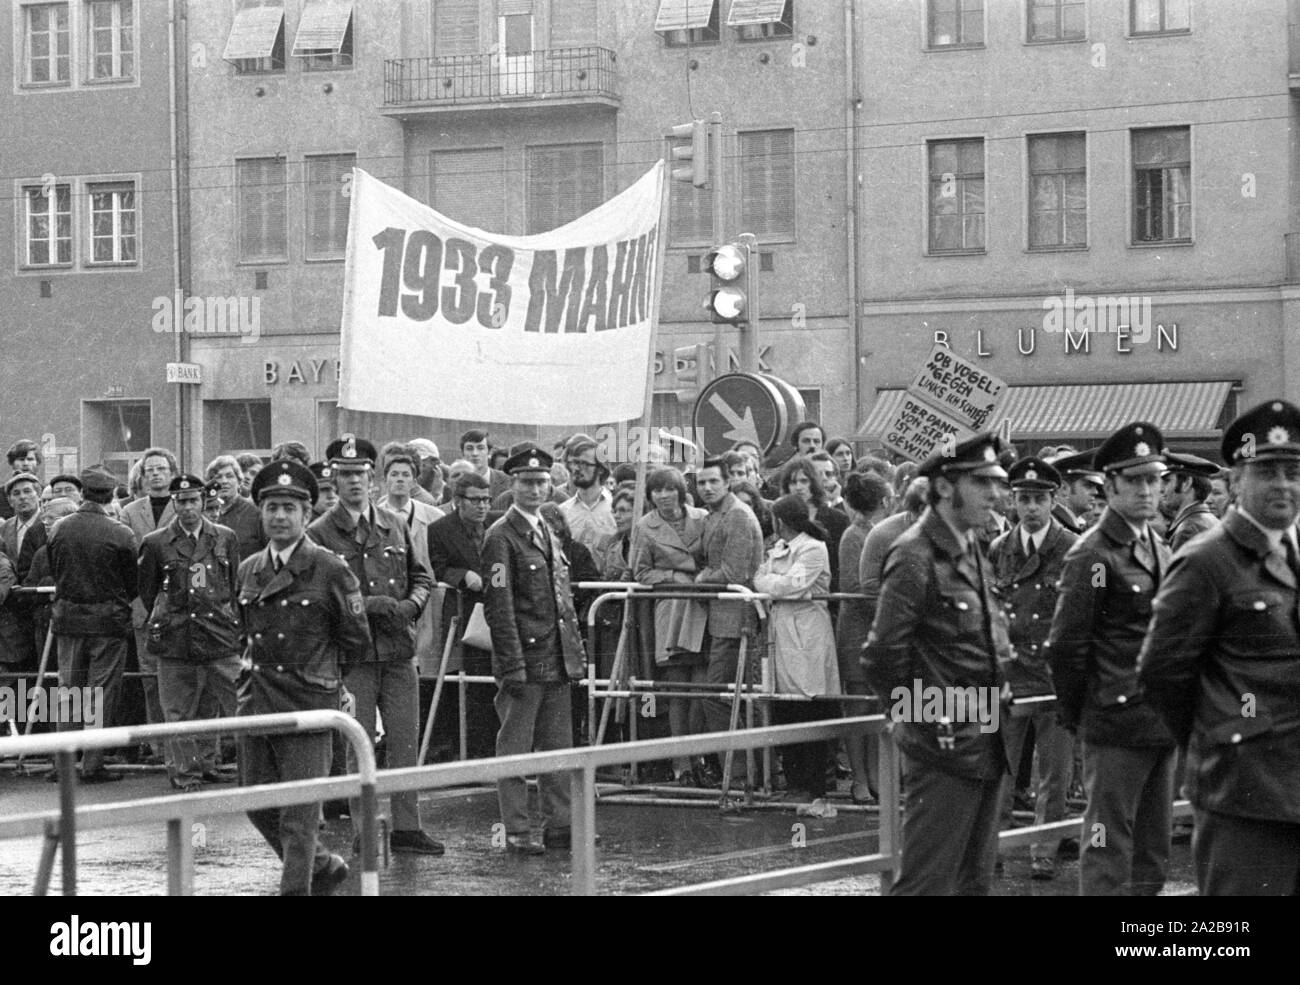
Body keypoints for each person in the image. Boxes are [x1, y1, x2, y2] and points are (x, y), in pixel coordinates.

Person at [1139, 399, 1300, 895]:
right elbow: (1162, 673)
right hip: (1243, 795)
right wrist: (1223, 735)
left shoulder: (1296, 553)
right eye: (1266, 471)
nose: (1283, 485)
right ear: (1235, 481)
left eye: (1293, 471)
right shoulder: (1207, 561)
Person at [862, 433, 1011, 895]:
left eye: (998, 483)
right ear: (946, 487)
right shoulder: (915, 554)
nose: (996, 495)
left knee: (974, 882)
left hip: (984, 737)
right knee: (927, 885)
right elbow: (882, 655)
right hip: (943, 746)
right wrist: (922, 723)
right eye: (983, 483)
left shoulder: (968, 547)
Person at [1047, 422, 1175, 896]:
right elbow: (1067, 645)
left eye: (1154, 480)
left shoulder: (1155, 545)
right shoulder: (1094, 555)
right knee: (1107, 852)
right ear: (1112, 484)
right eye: (1134, 480)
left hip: (1157, 721)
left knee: (1151, 854)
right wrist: (1082, 714)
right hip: (1115, 720)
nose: (1147, 490)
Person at [236, 459, 371, 895]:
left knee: (298, 817)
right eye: (272, 507)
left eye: (289, 509)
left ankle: (295, 889)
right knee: (255, 802)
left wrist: (325, 679)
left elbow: (355, 639)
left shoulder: (330, 569)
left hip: (309, 703)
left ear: (306, 514)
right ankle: (322, 865)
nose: (279, 516)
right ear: (261, 511)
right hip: (258, 702)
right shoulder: (250, 568)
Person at [307, 436, 442, 857]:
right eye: (345, 474)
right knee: (359, 745)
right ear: (333, 478)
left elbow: (423, 576)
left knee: (404, 742)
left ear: (372, 476)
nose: (354, 482)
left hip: (399, 650)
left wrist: (410, 606)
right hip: (355, 655)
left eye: (361, 473)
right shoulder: (320, 532)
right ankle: (366, 830)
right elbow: (320, 596)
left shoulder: (394, 522)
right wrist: (372, 605)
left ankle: (407, 826)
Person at [482, 444, 588, 855]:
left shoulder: (547, 528)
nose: (535, 489)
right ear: (512, 484)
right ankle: (517, 829)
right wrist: (511, 665)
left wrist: (573, 655)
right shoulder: (500, 537)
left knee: (558, 748)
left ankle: (560, 825)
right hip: (524, 659)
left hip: (556, 657)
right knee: (516, 749)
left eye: (542, 481)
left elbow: (562, 598)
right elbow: (500, 607)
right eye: (526, 482)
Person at [987, 457, 1079, 881]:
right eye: (1023, 499)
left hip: (1054, 674)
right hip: (1011, 675)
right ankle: (997, 847)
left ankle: (1045, 849)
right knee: (1001, 769)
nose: (1031, 508)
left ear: (1053, 500)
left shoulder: (1072, 548)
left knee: (1053, 773)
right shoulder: (999, 549)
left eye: (1039, 499)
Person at [136, 474, 243, 792]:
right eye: (181, 501)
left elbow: (233, 584)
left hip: (218, 634)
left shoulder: (224, 537)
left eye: (193, 500)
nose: (187, 508)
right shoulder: (156, 542)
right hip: (176, 635)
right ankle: (185, 773)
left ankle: (218, 764)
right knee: (178, 709)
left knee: (236, 698)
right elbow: (148, 591)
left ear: (202, 501)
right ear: (173, 503)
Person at [47, 466, 139, 783]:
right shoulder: (121, 533)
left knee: (68, 693)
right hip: (108, 622)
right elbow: (133, 583)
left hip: (69, 620)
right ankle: (92, 764)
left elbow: (55, 569)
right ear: (111, 495)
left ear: (83, 493)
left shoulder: (59, 528)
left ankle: (62, 764)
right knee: (100, 694)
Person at [756, 494, 840, 818]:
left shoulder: (814, 548)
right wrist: (774, 583)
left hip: (807, 630)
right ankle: (796, 783)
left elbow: (790, 586)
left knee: (810, 704)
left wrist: (772, 583)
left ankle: (817, 788)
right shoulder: (780, 548)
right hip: (783, 629)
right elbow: (761, 577)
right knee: (787, 704)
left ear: (782, 520)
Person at [630, 467, 709, 785]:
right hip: (672, 611)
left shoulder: (703, 518)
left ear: (680, 491)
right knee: (677, 690)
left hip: (703, 605)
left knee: (703, 690)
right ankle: (683, 764)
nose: (663, 496)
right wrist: (676, 578)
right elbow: (640, 572)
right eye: (656, 491)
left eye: (668, 489)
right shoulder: (645, 527)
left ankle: (701, 757)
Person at [427, 472, 501, 760]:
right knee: (469, 685)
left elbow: (504, 564)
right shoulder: (440, 529)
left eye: (486, 499)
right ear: (458, 501)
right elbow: (437, 566)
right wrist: (461, 575)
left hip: (497, 610)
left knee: (496, 684)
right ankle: (470, 752)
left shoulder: (497, 523)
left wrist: (494, 581)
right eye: (476, 500)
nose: (483, 506)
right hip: (465, 616)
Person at [693, 457, 765, 741]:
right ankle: (745, 768)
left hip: (737, 619)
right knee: (727, 695)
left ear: (727, 482)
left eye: (713, 481)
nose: (707, 488)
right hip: (721, 618)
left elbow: (733, 572)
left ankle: (742, 769)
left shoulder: (737, 514)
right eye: (701, 482)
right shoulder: (714, 514)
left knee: (721, 695)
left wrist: (701, 578)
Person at [835, 470, 892, 804]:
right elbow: (854, 588)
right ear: (883, 501)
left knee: (876, 704)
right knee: (859, 705)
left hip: (877, 628)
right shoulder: (854, 535)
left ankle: (873, 775)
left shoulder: (877, 532)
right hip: (859, 630)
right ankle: (859, 778)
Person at [121, 447, 179, 763]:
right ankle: (157, 745)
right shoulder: (130, 512)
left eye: (161, 469)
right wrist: (136, 602)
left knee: (178, 677)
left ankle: (180, 742)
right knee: (149, 677)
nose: (156, 474)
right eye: (150, 470)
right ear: (142, 477)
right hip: (143, 604)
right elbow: (127, 561)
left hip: (176, 603)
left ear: (172, 473)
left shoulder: (184, 505)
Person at [776, 454, 849, 593]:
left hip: (825, 595)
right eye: (793, 482)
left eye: (804, 481)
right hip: (787, 592)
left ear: (814, 483)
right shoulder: (781, 517)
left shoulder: (837, 519)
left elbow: (841, 565)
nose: (798, 487)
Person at [1, 471, 46, 668]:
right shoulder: (6, 527)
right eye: (16, 494)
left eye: (28, 491)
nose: (22, 497)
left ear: (38, 495)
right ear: (9, 500)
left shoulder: (48, 523)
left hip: (38, 600)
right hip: (13, 606)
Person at [559, 438, 615, 553]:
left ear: (600, 469)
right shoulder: (563, 512)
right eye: (573, 463)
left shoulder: (616, 509)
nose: (576, 469)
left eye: (583, 464)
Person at [207, 455, 267, 561]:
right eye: (218, 477)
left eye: (229, 476)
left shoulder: (257, 513)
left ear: (239, 481)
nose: (224, 481)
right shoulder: (204, 516)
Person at [1161, 451, 1220, 552]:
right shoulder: (1213, 521)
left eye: (1167, 481)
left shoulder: (1187, 530)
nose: (1162, 489)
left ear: (1186, 483)